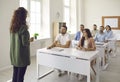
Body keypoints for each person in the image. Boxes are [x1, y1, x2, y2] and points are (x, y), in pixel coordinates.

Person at [10, 7, 30, 82]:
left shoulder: (13, 27)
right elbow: (25, 43)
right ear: (23, 16)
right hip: (21, 57)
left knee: (15, 75)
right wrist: (29, 40)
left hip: (14, 55)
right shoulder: (23, 28)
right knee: (20, 77)